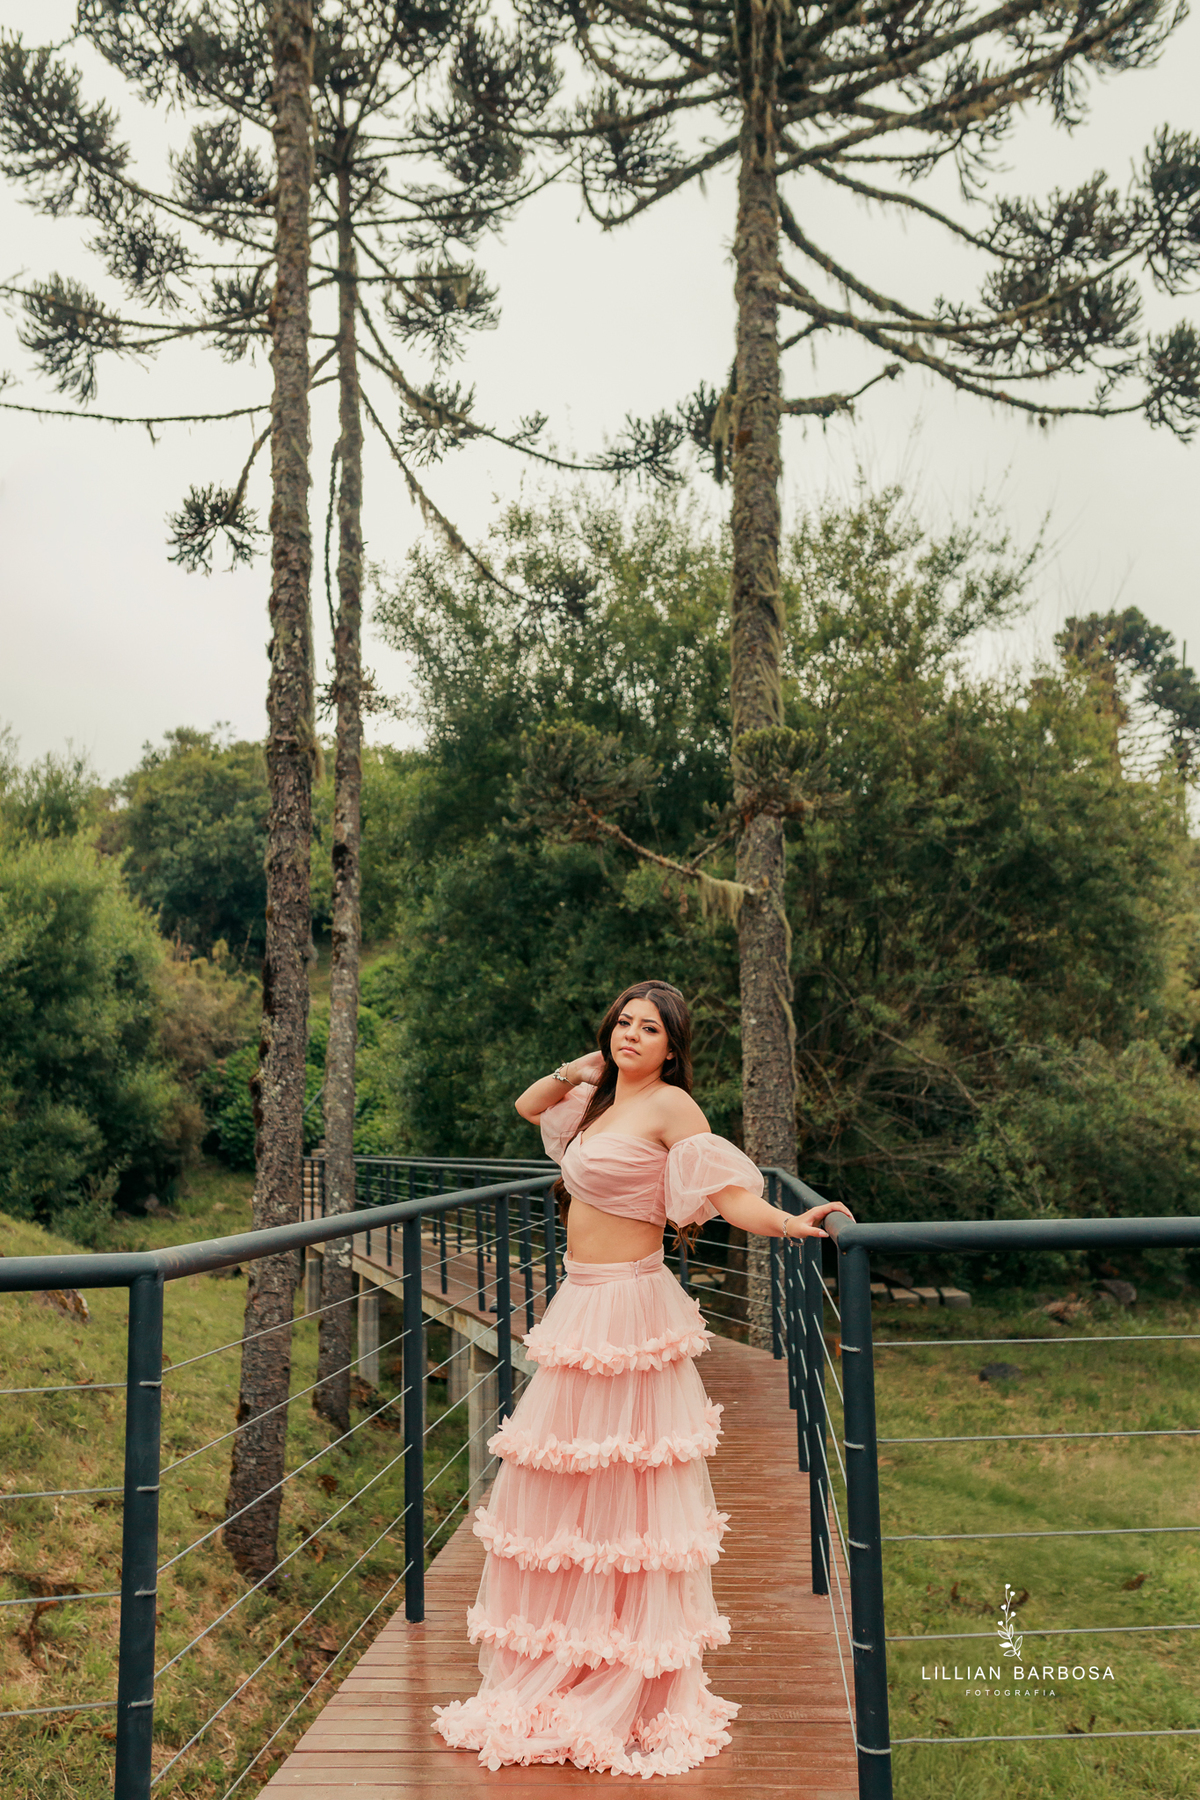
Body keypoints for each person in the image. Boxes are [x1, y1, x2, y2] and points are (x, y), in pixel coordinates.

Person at [434, 979, 852, 1777]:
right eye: (624, 1023)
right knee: (567, 1480)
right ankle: (572, 1650)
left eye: (649, 1028)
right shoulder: (594, 1100)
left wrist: (793, 1224)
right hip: (578, 1303)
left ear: (672, 1046)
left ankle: (631, 1672)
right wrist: (583, 1065)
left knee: (631, 1486)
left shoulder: (672, 1110)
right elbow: (529, 1106)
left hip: (630, 1309)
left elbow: (730, 1198)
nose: (632, 1035)